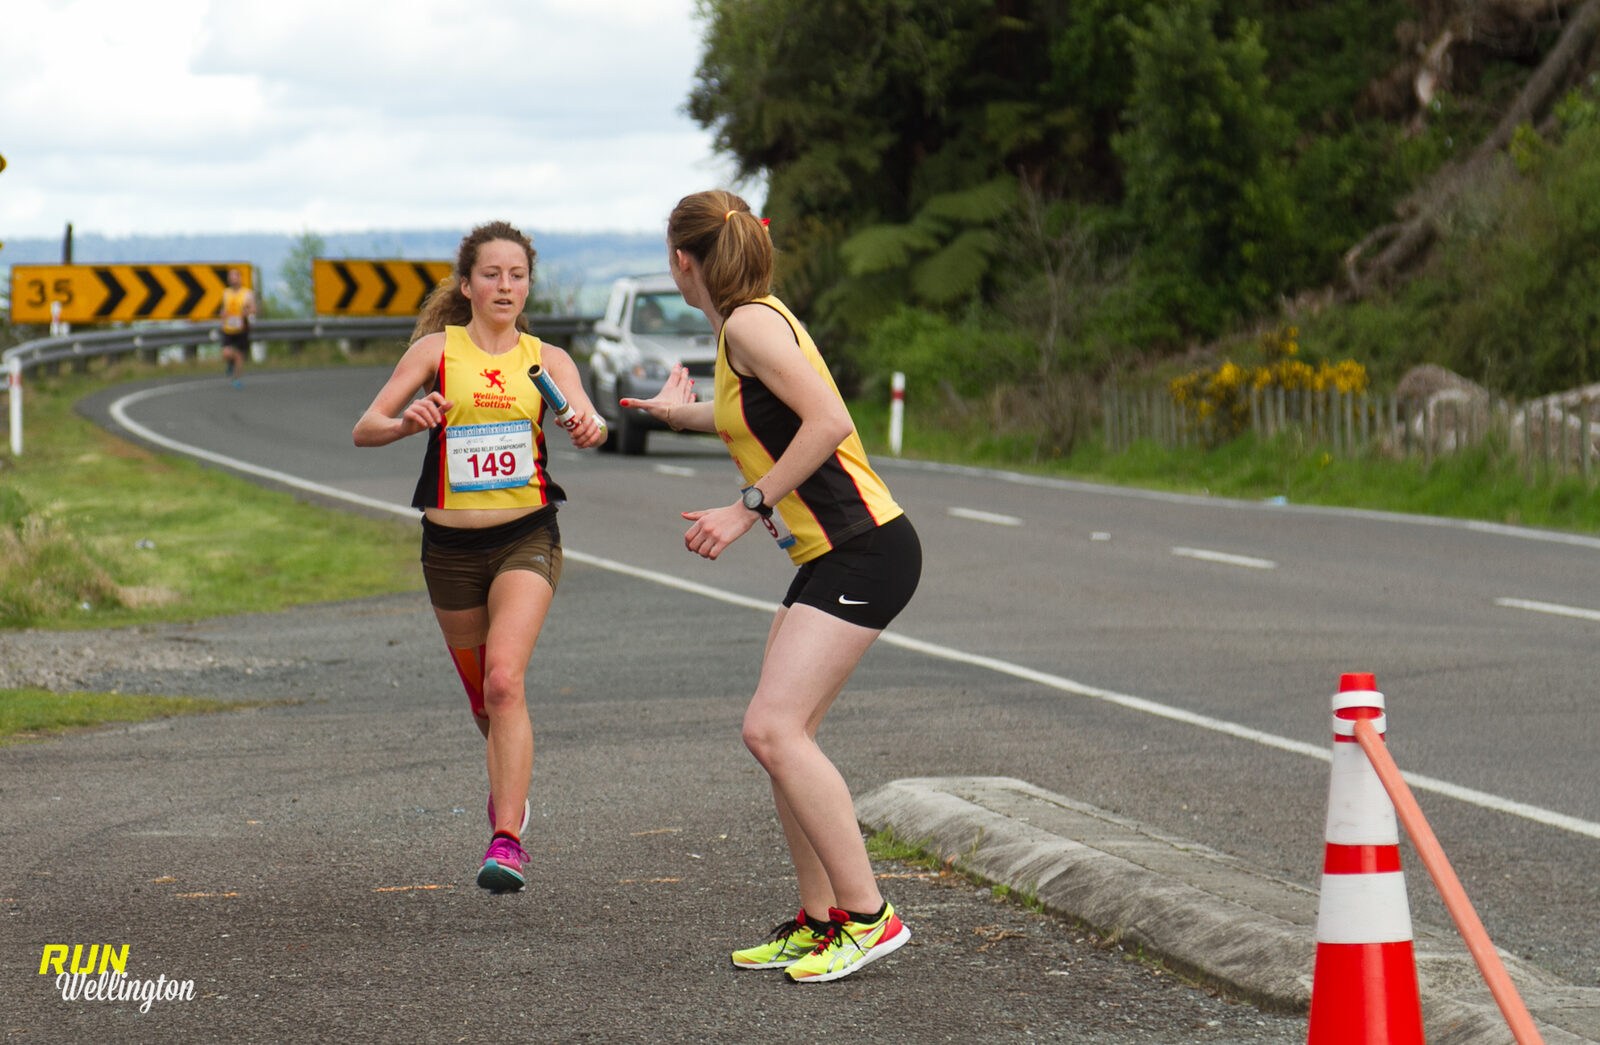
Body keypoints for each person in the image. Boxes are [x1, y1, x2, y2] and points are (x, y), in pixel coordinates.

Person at [620, 190, 922, 983]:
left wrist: (747, 506)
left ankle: (869, 916)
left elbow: (828, 419)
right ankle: (820, 922)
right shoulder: (743, 325)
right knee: (787, 739)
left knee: (772, 728)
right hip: (831, 556)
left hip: (865, 548)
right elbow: (761, 418)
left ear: (684, 260)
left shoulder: (749, 324)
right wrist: (673, 416)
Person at [352, 220, 606, 892]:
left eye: (516, 275)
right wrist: (407, 421)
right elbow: (365, 427)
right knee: (482, 701)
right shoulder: (438, 351)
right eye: (491, 274)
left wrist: (588, 423)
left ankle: (508, 839)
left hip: (526, 534)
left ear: (528, 286)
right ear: (466, 285)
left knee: (504, 680)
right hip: (450, 549)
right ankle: (508, 793)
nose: (504, 285)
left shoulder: (546, 360)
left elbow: (590, 420)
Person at [218, 268, 256, 388]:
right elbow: (223, 309)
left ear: (239, 278)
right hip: (228, 327)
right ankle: (230, 362)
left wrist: (246, 312)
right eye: (231, 277)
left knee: (239, 354)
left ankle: (237, 379)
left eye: (235, 277)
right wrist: (222, 314)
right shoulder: (226, 293)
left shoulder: (247, 294)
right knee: (226, 353)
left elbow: (254, 309)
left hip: (241, 328)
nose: (233, 280)